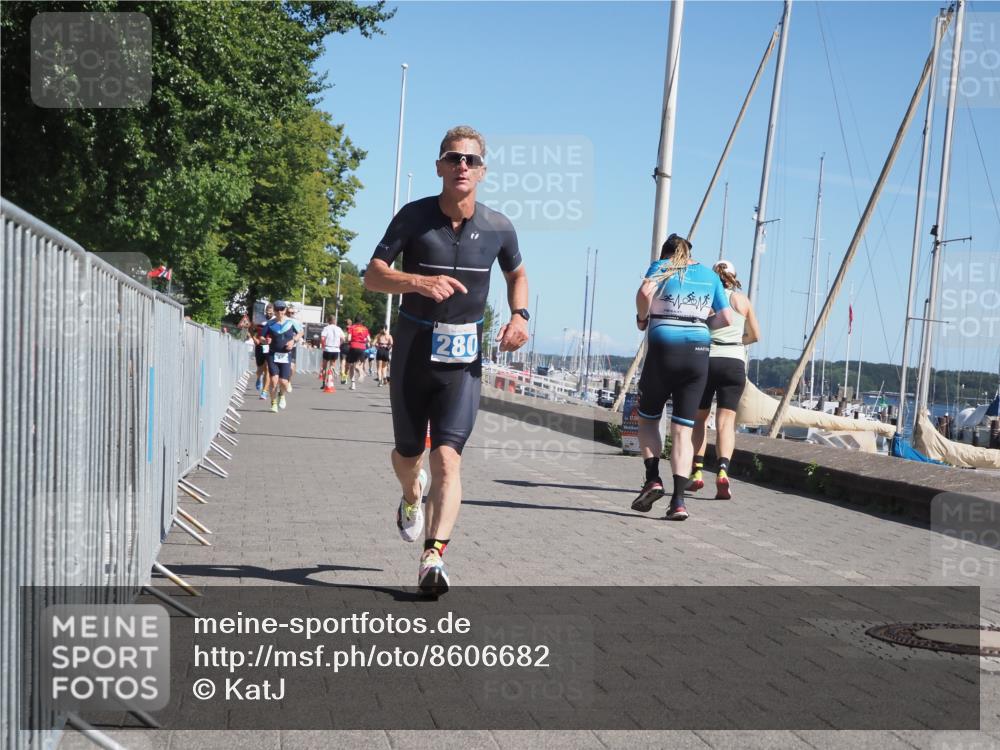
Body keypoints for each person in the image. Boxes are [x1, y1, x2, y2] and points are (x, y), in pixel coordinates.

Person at [364, 125, 528, 595]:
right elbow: (373, 277)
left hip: (463, 362)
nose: (462, 167)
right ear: (439, 166)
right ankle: (408, 496)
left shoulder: (498, 226)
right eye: (454, 158)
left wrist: (520, 316)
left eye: (471, 160)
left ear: (482, 171)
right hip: (414, 352)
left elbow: (518, 273)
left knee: (449, 461)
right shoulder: (413, 218)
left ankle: (433, 558)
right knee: (409, 455)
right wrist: (417, 282)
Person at [631, 234, 733, 521]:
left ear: (667, 254)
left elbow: (643, 294)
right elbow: (726, 318)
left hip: (664, 349)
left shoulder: (661, 267)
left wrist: (642, 319)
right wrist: (700, 324)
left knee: (649, 418)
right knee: (683, 431)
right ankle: (678, 502)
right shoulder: (709, 276)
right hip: (698, 353)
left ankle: (653, 478)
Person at [689, 261, 760, 500]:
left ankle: (697, 473)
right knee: (725, 422)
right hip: (734, 363)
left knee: (700, 420)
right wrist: (738, 342)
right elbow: (755, 335)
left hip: (708, 360)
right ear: (734, 277)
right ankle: (722, 471)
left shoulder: (708, 299)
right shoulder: (743, 301)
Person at [263, 300, 303, 413]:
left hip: (285, 355)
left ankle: (281, 394)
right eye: (277, 309)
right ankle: (273, 403)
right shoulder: (270, 324)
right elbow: (261, 337)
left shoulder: (291, 322)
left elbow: (301, 332)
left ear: (285, 310)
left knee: (284, 382)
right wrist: (266, 340)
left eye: (282, 309)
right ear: (274, 311)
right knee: (274, 380)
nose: (280, 312)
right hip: (272, 355)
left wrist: (293, 341)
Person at [253, 303, 275, 399]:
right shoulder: (259, 319)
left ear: (274, 312)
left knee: (267, 369)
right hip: (260, 345)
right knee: (260, 369)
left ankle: (264, 392)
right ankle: (258, 378)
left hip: (270, 347)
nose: (268, 314)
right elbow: (251, 329)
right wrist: (255, 339)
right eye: (267, 312)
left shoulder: (275, 321)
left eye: (270, 313)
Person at [319, 314, 345, 387]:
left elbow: (322, 338)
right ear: (334, 321)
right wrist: (339, 344)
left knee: (324, 367)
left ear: (328, 321)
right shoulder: (338, 328)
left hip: (327, 348)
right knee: (332, 366)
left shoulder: (326, 328)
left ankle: (324, 383)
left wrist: (323, 345)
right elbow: (343, 339)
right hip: (335, 349)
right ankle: (330, 381)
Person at [347, 317, 371, 390]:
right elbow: (369, 339)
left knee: (351, 365)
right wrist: (363, 342)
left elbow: (348, 338)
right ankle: (361, 372)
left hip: (353, 346)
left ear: (355, 321)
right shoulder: (365, 328)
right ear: (361, 321)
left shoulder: (352, 328)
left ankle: (353, 384)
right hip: (362, 347)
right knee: (358, 364)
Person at [339, 317, 352, 384]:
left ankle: (343, 376)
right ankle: (345, 377)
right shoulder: (352, 330)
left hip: (343, 346)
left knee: (343, 363)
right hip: (350, 347)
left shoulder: (342, 330)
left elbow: (340, 339)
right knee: (348, 364)